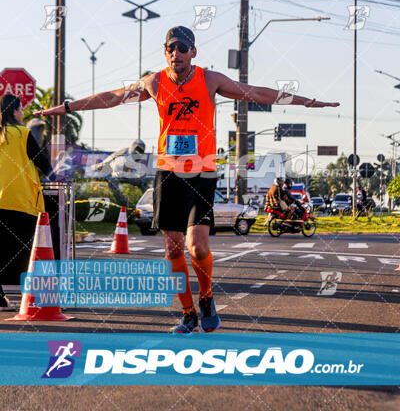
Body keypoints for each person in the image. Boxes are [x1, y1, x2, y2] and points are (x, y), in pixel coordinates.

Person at [35, 25, 339, 333]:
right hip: (168, 174)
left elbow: (257, 93)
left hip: (202, 173)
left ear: (193, 51)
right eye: (170, 48)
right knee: (174, 250)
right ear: (165, 52)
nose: (176, 53)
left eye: (182, 47)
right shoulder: (154, 82)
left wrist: (309, 102)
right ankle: (188, 313)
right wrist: (66, 108)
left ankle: (206, 297)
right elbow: (112, 97)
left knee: (197, 247)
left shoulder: (210, 80)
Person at [0, 94, 54, 310]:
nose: (22, 113)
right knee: (26, 252)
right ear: (14, 111)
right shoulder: (23, 134)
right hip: (19, 201)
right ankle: (30, 299)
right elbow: (44, 163)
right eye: (21, 109)